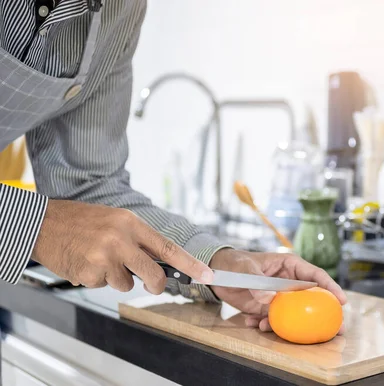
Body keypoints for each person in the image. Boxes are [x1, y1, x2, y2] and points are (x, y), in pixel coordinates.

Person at [0, 0, 346, 332]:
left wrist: (215, 263)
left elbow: (88, 187)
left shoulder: (120, 9)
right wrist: (38, 226)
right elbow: (57, 220)